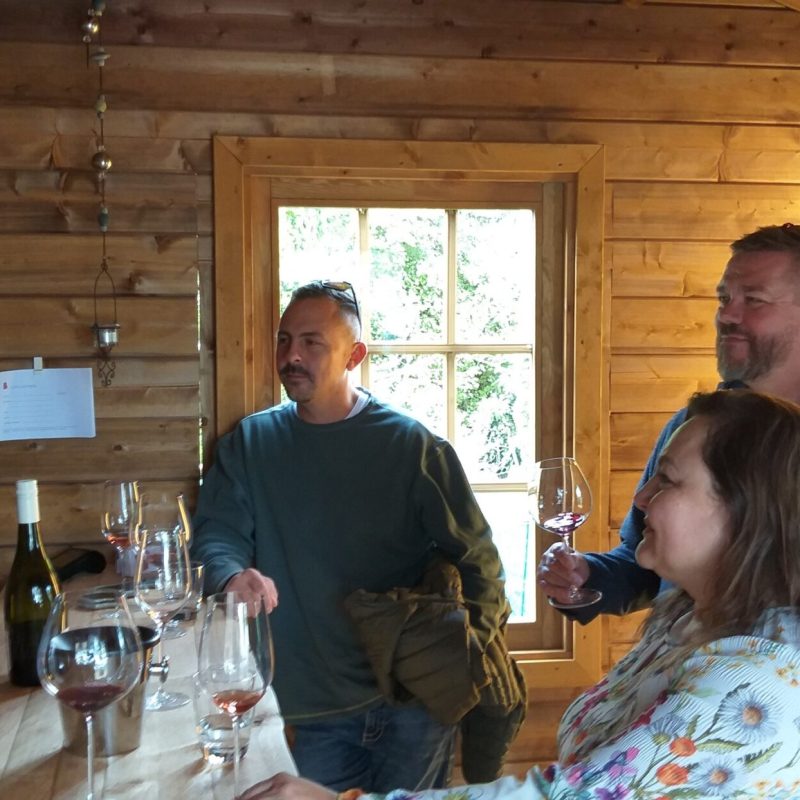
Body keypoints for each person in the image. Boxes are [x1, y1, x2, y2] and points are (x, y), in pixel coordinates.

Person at [240, 388, 800, 800]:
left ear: (743, 510)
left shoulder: (756, 680)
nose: (643, 496)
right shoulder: (687, 613)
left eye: (668, 480)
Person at [190, 280, 520, 792]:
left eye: (311, 342)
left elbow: (478, 560)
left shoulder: (412, 447)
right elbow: (216, 534)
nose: (291, 355)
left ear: (354, 355)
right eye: (283, 340)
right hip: (310, 710)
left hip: (416, 706)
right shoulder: (249, 445)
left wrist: (467, 656)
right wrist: (232, 575)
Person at [539, 222, 800, 620]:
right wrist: (586, 575)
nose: (727, 315)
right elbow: (640, 567)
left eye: (754, 299)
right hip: (680, 665)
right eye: (724, 298)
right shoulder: (694, 427)